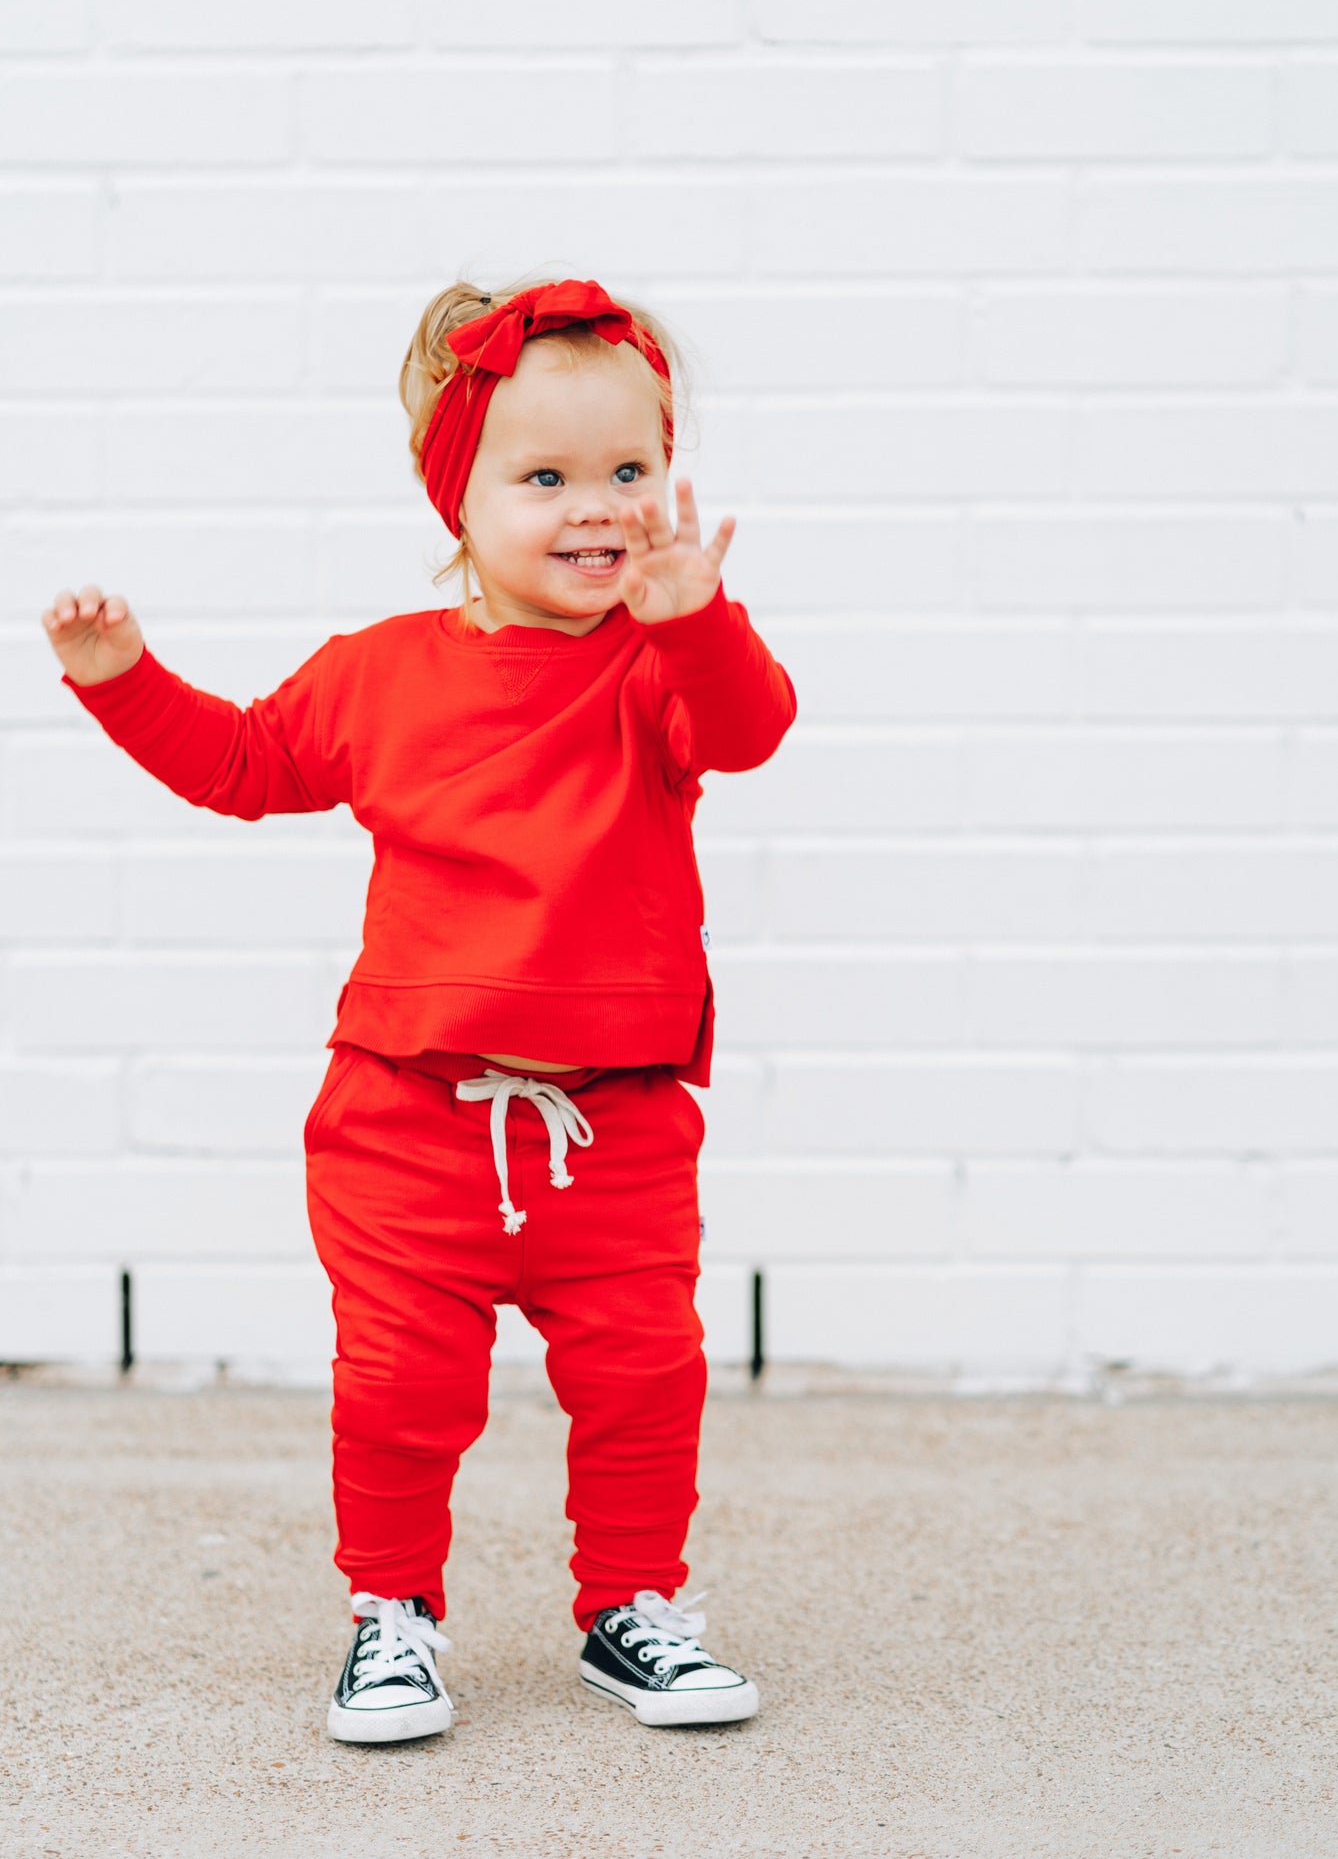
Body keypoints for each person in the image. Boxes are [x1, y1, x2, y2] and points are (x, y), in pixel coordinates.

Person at [42, 276, 798, 1745]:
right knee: (398, 1389)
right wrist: (124, 682)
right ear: (458, 495)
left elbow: (752, 729)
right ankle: (391, 1615)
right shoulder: (381, 672)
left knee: (645, 1377)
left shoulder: (658, 668)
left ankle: (630, 1607)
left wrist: (696, 617)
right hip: (407, 1121)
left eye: (630, 471)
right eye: (546, 477)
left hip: (617, 1122)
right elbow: (247, 764)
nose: (598, 508)